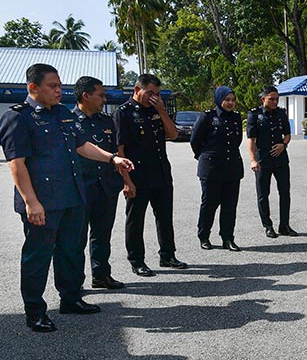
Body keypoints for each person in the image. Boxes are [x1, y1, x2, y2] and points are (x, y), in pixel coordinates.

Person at [0, 64, 134, 332]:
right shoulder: (18, 118)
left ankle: (71, 298)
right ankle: (35, 311)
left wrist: (112, 157)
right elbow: (17, 163)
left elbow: (82, 145)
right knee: (38, 256)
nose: (59, 90)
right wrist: (31, 202)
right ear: (33, 88)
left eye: (60, 85)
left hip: (73, 196)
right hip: (43, 201)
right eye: (53, 86)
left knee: (72, 250)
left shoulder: (63, 114)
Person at [114, 73, 187, 277]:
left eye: (157, 94)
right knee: (135, 220)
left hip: (161, 173)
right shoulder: (123, 112)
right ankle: (137, 260)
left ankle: (168, 255)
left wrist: (162, 110)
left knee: (165, 217)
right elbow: (120, 150)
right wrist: (126, 181)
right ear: (137, 90)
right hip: (137, 175)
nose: (153, 97)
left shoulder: (157, 110)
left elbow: (173, 134)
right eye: (150, 93)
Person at [73, 76, 126, 290]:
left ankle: (101, 275)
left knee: (102, 235)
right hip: (81, 189)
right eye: (100, 95)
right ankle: (74, 284)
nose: (104, 99)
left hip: (106, 187)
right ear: (86, 96)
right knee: (76, 239)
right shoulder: (69, 121)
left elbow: (115, 150)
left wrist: (124, 181)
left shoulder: (106, 121)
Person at [190, 86, 244, 251]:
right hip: (212, 168)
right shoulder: (207, 117)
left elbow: (237, 141)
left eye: (233, 100)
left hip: (232, 168)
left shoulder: (236, 118)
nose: (230, 103)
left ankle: (227, 238)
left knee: (229, 206)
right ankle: (204, 236)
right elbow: (195, 141)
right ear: (219, 100)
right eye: (227, 100)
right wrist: (205, 156)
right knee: (210, 204)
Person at [247, 85, 296, 238]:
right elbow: (251, 141)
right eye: (271, 99)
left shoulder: (281, 113)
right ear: (263, 99)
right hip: (263, 161)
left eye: (276, 99)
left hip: (281, 160)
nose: (275, 102)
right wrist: (253, 160)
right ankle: (268, 226)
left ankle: (284, 225)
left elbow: (287, 134)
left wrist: (284, 144)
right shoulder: (254, 115)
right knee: (263, 194)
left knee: (285, 193)